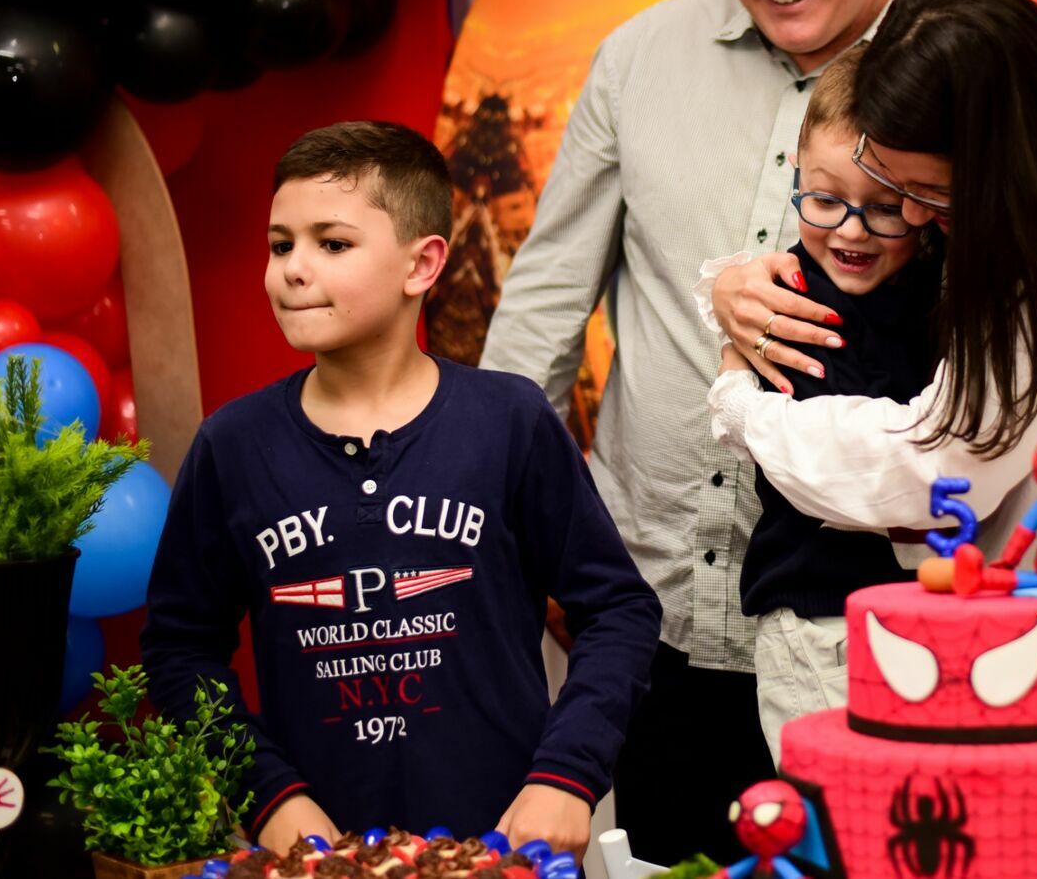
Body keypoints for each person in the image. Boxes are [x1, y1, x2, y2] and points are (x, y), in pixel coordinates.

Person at [479, 0, 906, 860]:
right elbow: (544, 299)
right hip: (653, 602)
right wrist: (516, 528)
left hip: (874, 622)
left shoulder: (957, 73)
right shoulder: (638, 57)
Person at [706, 0, 1037, 757]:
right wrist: (739, 285)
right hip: (1003, 659)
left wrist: (742, 400)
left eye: (927, 193)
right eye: (892, 185)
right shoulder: (1034, 208)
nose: (910, 217)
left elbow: (933, 471)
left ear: (992, 157)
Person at [142, 122, 659, 854]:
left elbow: (619, 609)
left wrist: (566, 776)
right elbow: (178, 648)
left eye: (333, 243)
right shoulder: (233, 445)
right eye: (281, 243)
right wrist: (266, 795)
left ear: (422, 265)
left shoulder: (508, 422)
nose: (292, 268)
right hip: (321, 858)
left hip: (505, 852)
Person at [731, 46, 941, 761]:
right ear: (795, 174)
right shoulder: (785, 305)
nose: (851, 230)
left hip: (928, 621)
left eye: (885, 208)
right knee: (839, 829)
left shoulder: (940, 284)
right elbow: (854, 466)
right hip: (820, 619)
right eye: (825, 200)